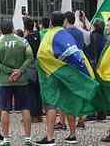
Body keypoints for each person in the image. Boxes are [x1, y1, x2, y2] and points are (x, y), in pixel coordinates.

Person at [36, 11, 98, 146]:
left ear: (51, 22)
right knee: (70, 101)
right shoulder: (66, 35)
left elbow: (41, 56)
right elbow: (75, 54)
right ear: (64, 22)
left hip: (52, 74)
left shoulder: (48, 36)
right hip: (68, 74)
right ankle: (72, 134)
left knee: (51, 104)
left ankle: (49, 137)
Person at [0, 19, 33, 146]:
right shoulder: (23, 40)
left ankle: (6, 139)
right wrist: (19, 71)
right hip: (21, 80)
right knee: (25, 108)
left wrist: (9, 71)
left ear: (1, 29)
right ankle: (27, 138)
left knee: (5, 109)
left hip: (5, 80)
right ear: (12, 27)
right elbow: (30, 57)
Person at [23, 17, 43, 123]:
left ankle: (33, 115)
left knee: (30, 92)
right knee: (38, 91)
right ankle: (39, 114)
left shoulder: (25, 39)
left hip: (30, 66)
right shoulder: (39, 35)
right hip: (39, 65)